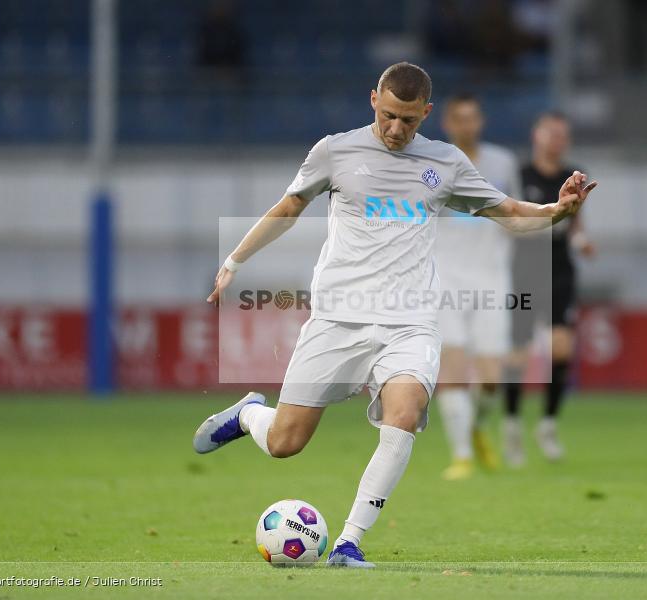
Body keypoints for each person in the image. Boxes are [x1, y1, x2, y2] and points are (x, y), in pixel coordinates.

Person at [193, 63, 597, 568]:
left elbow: (509, 213)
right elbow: (288, 207)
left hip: (410, 323)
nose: (395, 129)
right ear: (372, 101)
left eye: (408, 120)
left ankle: (349, 541)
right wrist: (234, 260)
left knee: (403, 414)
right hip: (338, 318)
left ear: (426, 113)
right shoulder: (334, 151)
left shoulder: (445, 164)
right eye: (387, 116)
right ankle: (250, 412)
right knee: (285, 442)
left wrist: (555, 210)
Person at [434, 93, 521, 480]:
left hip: (492, 279)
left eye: (472, 118)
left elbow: (515, 214)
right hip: (444, 278)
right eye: (459, 119)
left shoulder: (503, 163)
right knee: (451, 369)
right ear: (447, 124)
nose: (466, 125)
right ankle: (462, 455)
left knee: (490, 379)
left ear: (480, 122)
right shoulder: (431, 165)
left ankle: (475, 424)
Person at [503, 111, 596, 465]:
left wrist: (582, 241)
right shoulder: (519, 174)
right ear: (536, 135)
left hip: (560, 270)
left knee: (561, 350)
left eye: (563, 135)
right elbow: (507, 219)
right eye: (552, 133)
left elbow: (576, 225)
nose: (558, 140)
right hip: (525, 270)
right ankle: (512, 426)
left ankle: (547, 425)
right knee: (518, 354)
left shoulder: (572, 174)